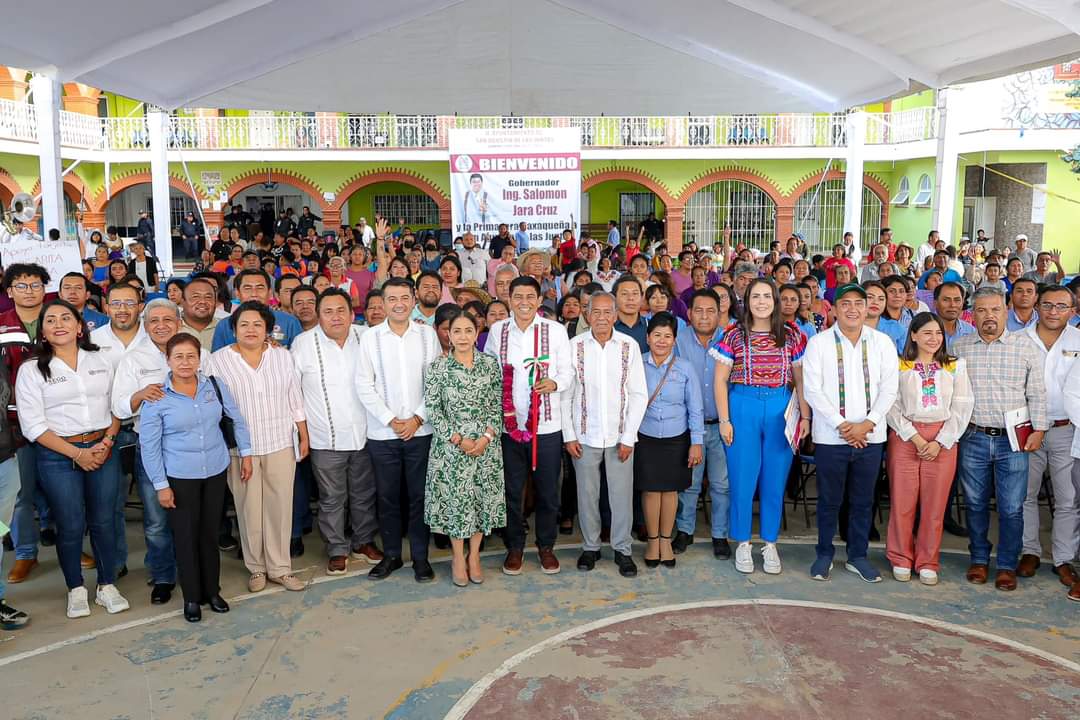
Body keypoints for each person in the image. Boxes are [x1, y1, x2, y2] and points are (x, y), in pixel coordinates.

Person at [15, 299, 129, 618]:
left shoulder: (100, 360)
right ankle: (75, 589)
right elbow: (33, 426)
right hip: (57, 456)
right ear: (43, 331)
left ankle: (107, 585)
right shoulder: (32, 370)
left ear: (80, 326)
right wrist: (77, 454)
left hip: (103, 448)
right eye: (51, 320)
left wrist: (106, 442)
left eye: (67, 318)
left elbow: (116, 405)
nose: (59, 324)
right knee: (70, 524)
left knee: (104, 521)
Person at [138, 333, 251, 622]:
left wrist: (246, 452)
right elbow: (149, 447)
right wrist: (161, 486)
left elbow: (236, 418)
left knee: (209, 534)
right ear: (168, 360)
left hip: (214, 470)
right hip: (179, 477)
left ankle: (212, 591)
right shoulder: (157, 396)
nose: (186, 362)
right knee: (186, 537)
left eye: (191, 356)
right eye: (179, 356)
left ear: (199, 359)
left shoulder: (213, 385)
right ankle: (191, 598)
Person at [204, 301, 310, 593]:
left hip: (279, 441)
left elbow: (294, 397)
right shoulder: (218, 360)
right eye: (244, 325)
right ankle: (256, 568)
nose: (250, 330)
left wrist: (303, 434)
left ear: (267, 329)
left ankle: (281, 568)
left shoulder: (282, 356)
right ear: (233, 329)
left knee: (279, 506)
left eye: (257, 325)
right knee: (249, 507)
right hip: (241, 449)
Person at [802, 284, 899, 583]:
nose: (853, 309)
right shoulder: (818, 344)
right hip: (832, 437)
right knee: (829, 499)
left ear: (868, 306)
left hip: (871, 436)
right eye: (846, 303)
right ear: (834, 309)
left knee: (863, 500)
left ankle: (858, 556)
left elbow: (889, 389)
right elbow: (813, 390)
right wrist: (844, 426)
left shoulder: (882, 343)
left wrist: (866, 424)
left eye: (860, 302)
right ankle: (824, 554)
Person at [953, 286, 1048, 591]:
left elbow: (1037, 393)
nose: (989, 316)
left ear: (1006, 311)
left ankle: (1006, 564)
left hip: (1014, 441)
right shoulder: (960, 347)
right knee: (976, 503)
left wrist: (1040, 430)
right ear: (973, 314)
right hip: (973, 437)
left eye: (995, 309)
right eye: (981, 310)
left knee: (1011, 507)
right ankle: (979, 559)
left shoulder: (1026, 347)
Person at [713, 279, 810, 574]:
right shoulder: (733, 334)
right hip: (743, 405)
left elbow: (801, 379)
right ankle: (742, 542)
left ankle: (770, 543)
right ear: (746, 300)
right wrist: (725, 420)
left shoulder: (792, 335)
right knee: (743, 479)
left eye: (767, 296)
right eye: (756, 296)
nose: (762, 301)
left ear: (776, 300)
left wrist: (804, 416)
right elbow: (719, 380)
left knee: (774, 479)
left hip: (781, 406)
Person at [484, 276, 573, 576]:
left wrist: (555, 382)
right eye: (517, 296)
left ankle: (546, 546)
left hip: (546, 426)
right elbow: (490, 372)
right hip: (509, 428)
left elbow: (568, 371)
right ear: (509, 299)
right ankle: (515, 547)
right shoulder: (498, 331)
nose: (523, 302)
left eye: (529, 297)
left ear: (539, 301)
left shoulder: (555, 331)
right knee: (511, 490)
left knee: (549, 491)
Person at [291, 289, 383, 575]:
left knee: (364, 494)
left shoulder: (366, 337)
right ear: (319, 315)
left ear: (351, 311)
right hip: (324, 437)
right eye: (328, 311)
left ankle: (363, 541)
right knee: (332, 498)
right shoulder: (303, 344)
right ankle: (336, 548)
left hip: (366, 434)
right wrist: (302, 435)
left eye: (341, 310)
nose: (335, 316)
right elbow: (293, 395)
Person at [356, 278, 440, 582]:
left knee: (419, 497)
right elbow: (363, 385)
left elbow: (436, 381)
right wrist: (392, 420)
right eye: (392, 299)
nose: (399, 304)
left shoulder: (428, 336)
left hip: (421, 432)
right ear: (383, 302)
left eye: (405, 297)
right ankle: (392, 556)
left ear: (414, 297)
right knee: (388, 497)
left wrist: (417, 419)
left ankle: (421, 558)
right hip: (383, 434)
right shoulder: (370, 337)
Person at [885, 313, 974, 585]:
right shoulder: (899, 366)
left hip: (943, 440)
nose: (933, 338)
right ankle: (900, 556)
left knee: (935, 506)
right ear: (913, 335)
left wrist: (941, 441)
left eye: (937, 333)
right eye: (926, 333)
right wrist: (916, 438)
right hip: (905, 437)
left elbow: (962, 405)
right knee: (902, 501)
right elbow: (891, 404)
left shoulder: (955, 366)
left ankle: (927, 560)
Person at [563, 292, 647, 578]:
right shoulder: (573, 346)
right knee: (586, 494)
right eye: (594, 312)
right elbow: (566, 395)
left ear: (614, 315)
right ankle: (591, 546)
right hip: (584, 435)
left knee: (621, 495)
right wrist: (569, 434)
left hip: (619, 436)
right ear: (586, 315)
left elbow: (638, 394)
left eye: (605, 313)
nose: (600, 318)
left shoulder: (629, 346)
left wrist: (628, 437)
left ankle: (623, 549)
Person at [423, 308, 505, 586]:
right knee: (457, 503)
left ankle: (474, 556)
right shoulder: (437, 367)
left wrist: (486, 438)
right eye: (456, 331)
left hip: (486, 448)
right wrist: (459, 439)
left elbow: (497, 406)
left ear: (477, 332)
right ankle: (458, 557)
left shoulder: (490, 365)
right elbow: (434, 410)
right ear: (447, 335)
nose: (462, 336)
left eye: (468, 330)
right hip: (452, 449)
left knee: (481, 501)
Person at [1018, 285, 1080, 587]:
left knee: (1067, 498)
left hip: (1067, 430)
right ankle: (1029, 550)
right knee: (1025, 495)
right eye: (1047, 305)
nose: (1054, 311)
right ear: (1037, 306)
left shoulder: (1079, 340)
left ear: (1073, 309)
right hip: (1027, 431)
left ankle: (1063, 558)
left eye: (1061, 306)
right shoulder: (1018, 340)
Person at [636, 312, 703, 568]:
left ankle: (666, 540)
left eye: (668, 336)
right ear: (647, 337)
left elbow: (694, 407)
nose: (662, 341)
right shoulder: (637, 365)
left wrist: (696, 442)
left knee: (671, 490)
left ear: (675, 340)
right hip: (646, 436)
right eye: (657, 335)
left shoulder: (685, 368)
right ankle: (653, 541)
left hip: (677, 438)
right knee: (651, 490)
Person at [2, 264, 53, 585]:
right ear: (9, 291)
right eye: (21, 286)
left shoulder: (58, 319)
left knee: (62, 489)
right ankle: (24, 553)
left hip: (58, 419)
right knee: (20, 494)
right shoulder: (2, 326)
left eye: (35, 285)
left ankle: (70, 549)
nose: (29, 290)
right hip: (14, 423)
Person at [211, 270, 302, 350]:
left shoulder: (290, 322)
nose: (254, 294)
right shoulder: (224, 325)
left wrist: (279, 352)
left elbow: (299, 361)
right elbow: (216, 363)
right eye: (247, 288)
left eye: (260, 288)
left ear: (270, 293)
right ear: (237, 293)